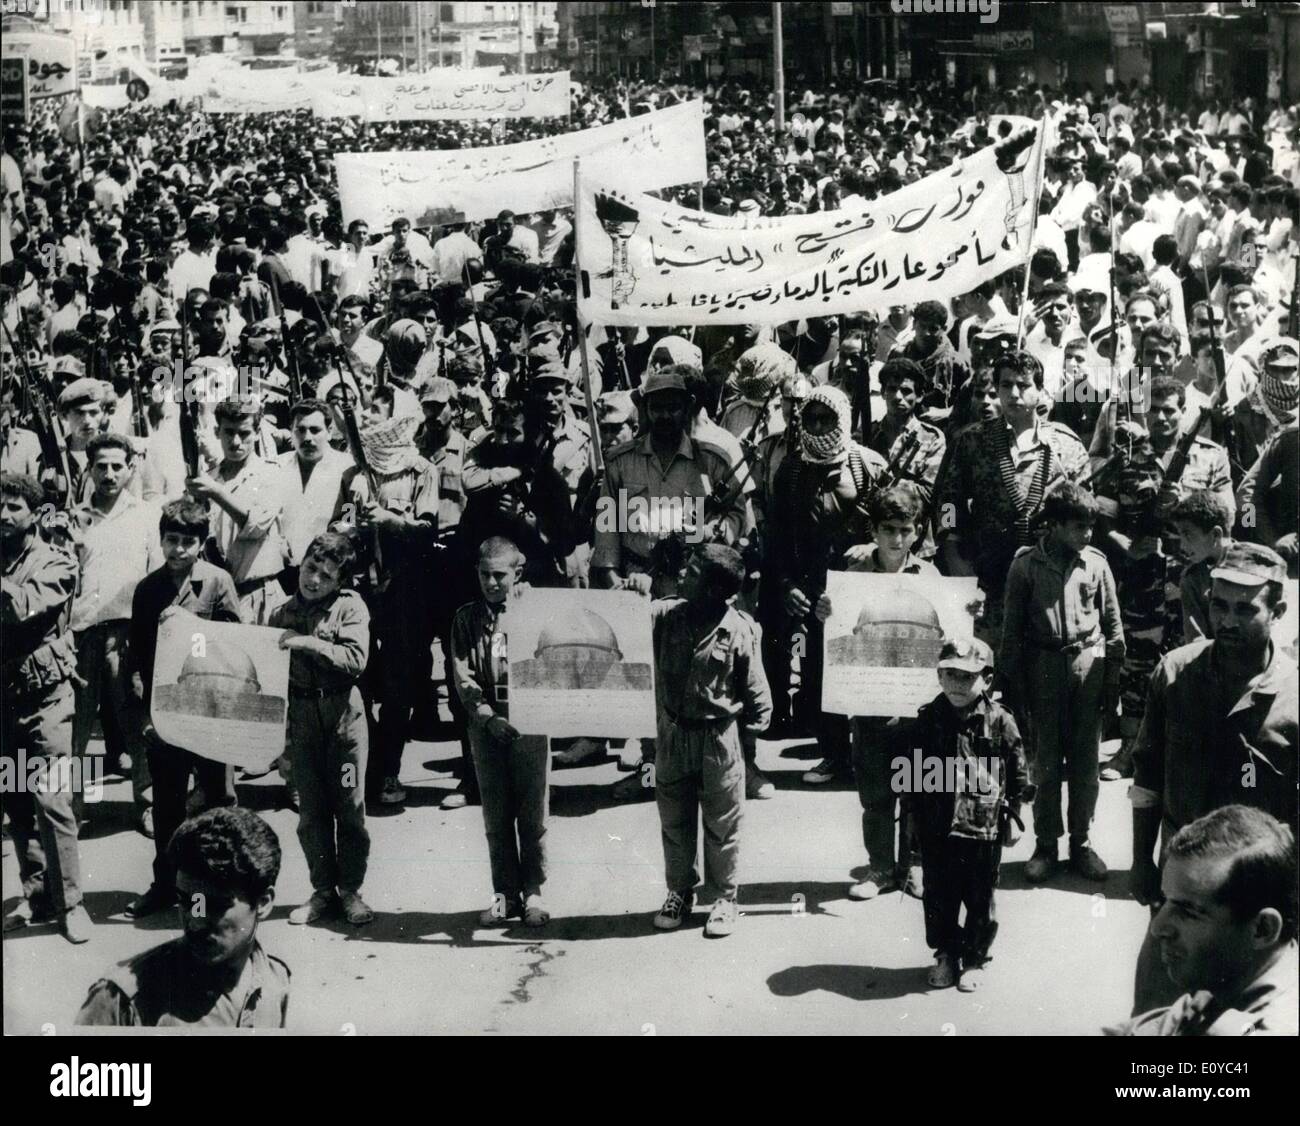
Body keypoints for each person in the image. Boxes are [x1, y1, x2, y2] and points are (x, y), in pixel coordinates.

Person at [1129, 541, 1297, 1014]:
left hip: (1253, 904)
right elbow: (1146, 777)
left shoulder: (1294, 695)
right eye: (1218, 605)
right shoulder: (1176, 672)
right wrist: (1142, 861)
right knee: (1157, 1017)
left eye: (1246, 609)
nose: (1227, 621)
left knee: (1246, 1023)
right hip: (1182, 889)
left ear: (1277, 609)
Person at [124, 498, 243, 918]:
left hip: (210, 709)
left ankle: (217, 887)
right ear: (160, 540)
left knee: (217, 800)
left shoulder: (218, 583)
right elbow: (136, 657)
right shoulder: (147, 589)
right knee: (169, 803)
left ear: (202, 543)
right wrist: (146, 716)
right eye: (171, 540)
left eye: (188, 542)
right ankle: (166, 884)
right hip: (167, 711)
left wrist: (189, 629)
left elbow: (233, 647)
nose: (178, 550)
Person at [999, 484, 1124, 883]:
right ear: (1052, 526)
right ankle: (1047, 845)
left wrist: (1111, 684)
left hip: (1089, 668)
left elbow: (1113, 628)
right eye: (1077, 527)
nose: (1086, 535)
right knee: (1046, 765)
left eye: (1091, 527)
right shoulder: (1025, 566)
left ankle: (1082, 843)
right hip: (1043, 668)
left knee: (1087, 765)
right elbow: (1011, 635)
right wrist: (1014, 691)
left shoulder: (1097, 564)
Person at [817, 483, 936, 900]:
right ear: (874, 530)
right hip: (869, 702)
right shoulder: (854, 575)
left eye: (906, 529)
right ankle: (880, 868)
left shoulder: (931, 577)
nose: (897, 539)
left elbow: (948, 632)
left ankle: (915, 866)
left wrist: (968, 609)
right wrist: (826, 612)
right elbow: (840, 631)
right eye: (889, 529)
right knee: (875, 791)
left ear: (918, 531)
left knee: (920, 790)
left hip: (916, 706)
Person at [650, 544, 772, 937]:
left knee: (723, 822)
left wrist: (742, 735)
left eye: (693, 571)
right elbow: (620, 617)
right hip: (673, 734)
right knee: (675, 820)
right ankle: (680, 891)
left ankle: (724, 898)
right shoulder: (666, 616)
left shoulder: (739, 629)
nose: (683, 573)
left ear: (714, 589)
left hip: (718, 738)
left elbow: (758, 695)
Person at [76, 807, 290, 1027]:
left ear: (263, 903)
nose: (195, 921)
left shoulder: (276, 982)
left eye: (215, 905)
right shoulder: (122, 1000)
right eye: (186, 901)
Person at [903, 637, 1029, 992]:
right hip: (936, 826)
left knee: (979, 896)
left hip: (983, 828)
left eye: (967, 677)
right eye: (950, 675)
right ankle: (945, 953)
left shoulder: (1001, 722)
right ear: (938, 676)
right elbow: (911, 775)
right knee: (938, 894)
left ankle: (975, 958)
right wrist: (912, 819)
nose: (957, 685)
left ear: (987, 680)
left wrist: (1016, 817)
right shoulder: (927, 721)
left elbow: (1019, 773)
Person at [1110, 805, 1297, 1037]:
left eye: (1188, 911)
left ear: (1262, 929)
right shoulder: (1239, 978)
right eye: (1166, 900)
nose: (1157, 928)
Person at [1, 471, 90, 943]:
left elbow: (23, 606)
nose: (3, 514)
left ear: (35, 513)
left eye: (13, 506)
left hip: (48, 698)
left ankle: (70, 903)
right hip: (4, 700)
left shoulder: (56, 561)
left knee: (51, 800)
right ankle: (35, 893)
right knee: (14, 800)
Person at [269, 531, 374, 927]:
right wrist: (282, 742)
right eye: (311, 568)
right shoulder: (280, 614)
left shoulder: (351, 608)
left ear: (340, 583)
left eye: (326, 576)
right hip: (302, 722)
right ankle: (322, 891)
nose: (314, 580)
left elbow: (355, 660)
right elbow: (272, 680)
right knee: (311, 812)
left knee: (349, 808)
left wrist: (307, 643)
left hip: (342, 720)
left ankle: (350, 891)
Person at [450, 536, 551, 928]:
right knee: (496, 813)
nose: (492, 583)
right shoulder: (465, 618)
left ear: (517, 573)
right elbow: (462, 675)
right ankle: (504, 892)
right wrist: (487, 716)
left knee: (532, 812)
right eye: (485, 575)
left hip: (530, 721)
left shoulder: (533, 609)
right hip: (487, 725)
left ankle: (534, 891)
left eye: (500, 575)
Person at [1169, 489, 1233, 642]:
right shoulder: (1192, 579)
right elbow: (1196, 642)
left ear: (1216, 534)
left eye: (1188, 534)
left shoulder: (1256, 567)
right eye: (1180, 535)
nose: (1182, 546)